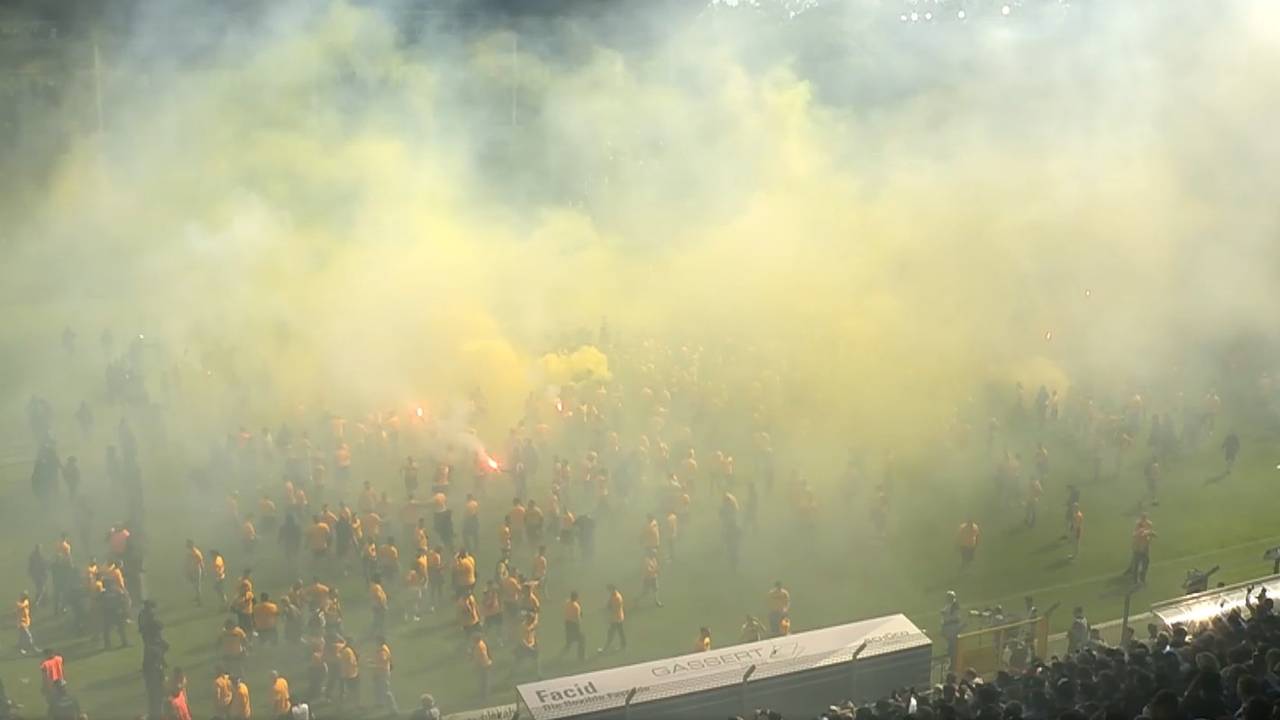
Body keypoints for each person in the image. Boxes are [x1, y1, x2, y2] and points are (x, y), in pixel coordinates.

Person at [371, 636, 398, 714]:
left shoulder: (382, 651)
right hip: (380, 672)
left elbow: (382, 661)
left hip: (382, 672)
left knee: (386, 691)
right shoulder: (383, 648)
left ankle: (393, 709)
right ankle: (380, 703)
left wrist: (373, 665)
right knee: (379, 688)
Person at [599, 584, 626, 654]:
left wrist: (607, 608)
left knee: (611, 633)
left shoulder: (616, 598)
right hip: (618, 617)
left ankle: (605, 648)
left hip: (616, 619)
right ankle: (623, 644)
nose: (608, 592)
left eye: (609, 590)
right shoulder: (614, 595)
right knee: (620, 632)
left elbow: (613, 608)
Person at [514, 609, 540, 680]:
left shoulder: (532, 624)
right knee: (519, 661)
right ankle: (513, 672)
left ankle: (538, 675)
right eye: (531, 619)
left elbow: (536, 620)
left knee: (535, 660)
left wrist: (536, 613)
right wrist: (528, 647)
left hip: (531, 645)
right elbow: (521, 640)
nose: (532, 620)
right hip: (524, 647)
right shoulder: (523, 627)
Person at [562, 590, 586, 661]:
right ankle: (581, 657)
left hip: (567, 623)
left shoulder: (567, 603)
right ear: (576, 597)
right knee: (582, 639)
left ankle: (568, 646)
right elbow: (578, 618)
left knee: (569, 637)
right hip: (574, 625)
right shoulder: (576, 607)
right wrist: (580, 621)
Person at [15, 591, 39, 655]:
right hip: (21, 622)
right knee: (29, 636)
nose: (26, 597)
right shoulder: (19, 603)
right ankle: (33, 648)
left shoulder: (26, 601)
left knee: (22, 636)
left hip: (26, 621)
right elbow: (21, 606)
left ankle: (20, 648)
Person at [472, 632, 493, 699]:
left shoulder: (479, 646)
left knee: (484, 680)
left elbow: (482, 656)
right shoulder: (480, 644)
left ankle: (484, 695)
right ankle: (484, 694)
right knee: (483, 680)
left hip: (484, 665)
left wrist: (478, 664)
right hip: (485, 664)